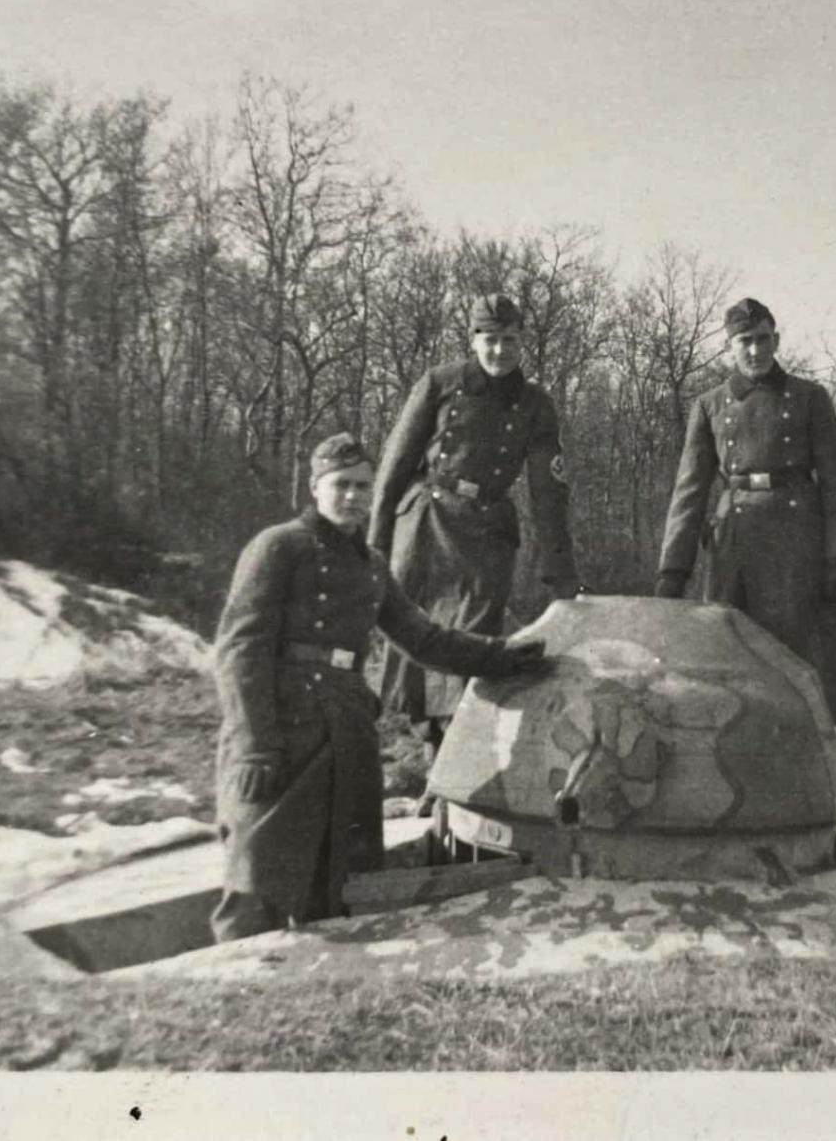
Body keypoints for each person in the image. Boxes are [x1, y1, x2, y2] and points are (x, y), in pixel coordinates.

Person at [210, 432, 548, 941]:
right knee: (258, 876)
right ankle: (236, 993)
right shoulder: (278, 547)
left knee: (338, 881)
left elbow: (422, 637)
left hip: (345, 734)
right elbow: (239, 652)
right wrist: (256, 745)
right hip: (280, 733)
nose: (352, 497)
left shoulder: (370, 566)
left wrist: (501, 656)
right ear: (315, 487)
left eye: (363, 487)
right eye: (340, 485)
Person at [369, 293, 581, 761]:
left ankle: (454, 753)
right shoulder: (440, 384)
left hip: (486, 533)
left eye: (509, 341)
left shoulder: (535, 404)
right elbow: (393, 469)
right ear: (473, 340)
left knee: (473, 641)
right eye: (490, 340)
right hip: (426, 523)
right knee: (414, 635)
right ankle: (420, 749)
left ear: (523, 343)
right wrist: (373, 547)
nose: (500, 351)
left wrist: (561, 577)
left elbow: (548, 492)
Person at [654, 297, 836, 725]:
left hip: (797, 546)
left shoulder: (809, 398)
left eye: (763, 339)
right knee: (730, 662)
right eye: (744, 341)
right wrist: (673, 570)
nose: (754, 350)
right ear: (729, 347)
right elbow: (689, 491)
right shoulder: (710, 405)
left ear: (776, 340)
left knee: (798, 670)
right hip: (735, 548)